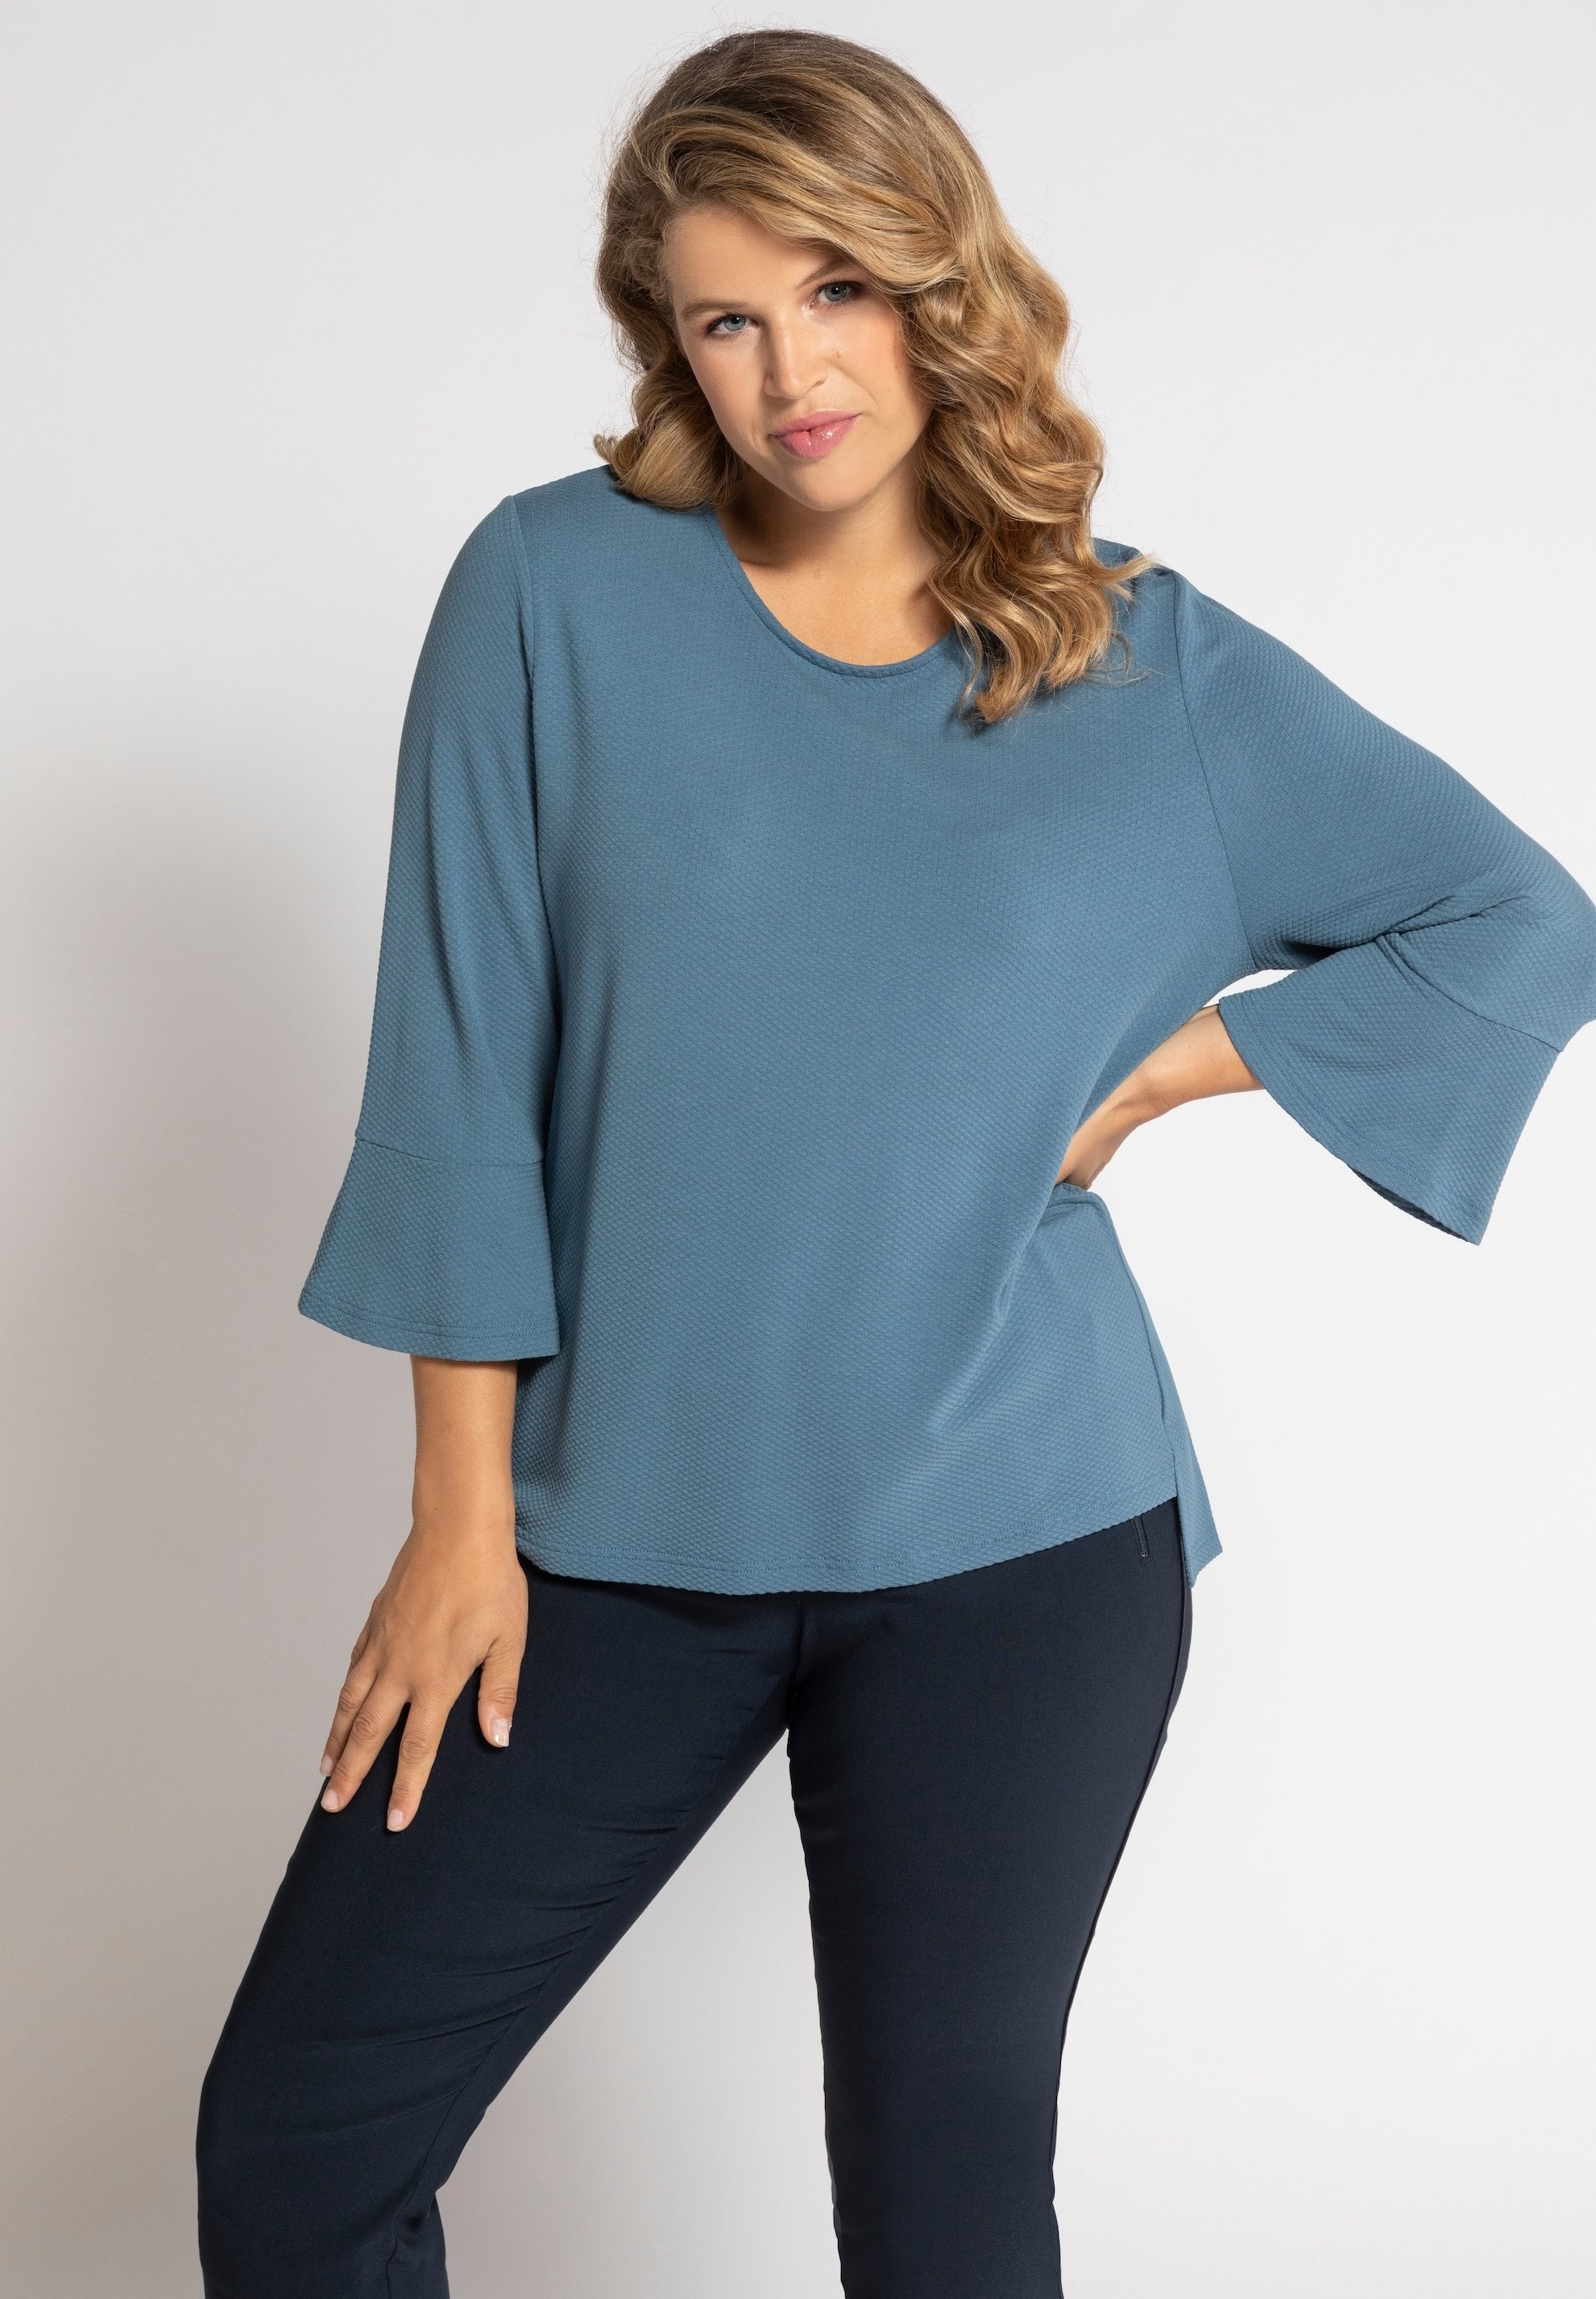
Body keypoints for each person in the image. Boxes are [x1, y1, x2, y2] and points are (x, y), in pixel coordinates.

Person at [193, 27, 1596, 2299]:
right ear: (667, 338)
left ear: (940, 280)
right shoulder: (550, 594)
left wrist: (1172, 1074)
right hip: (606, 1533)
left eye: (835, 290)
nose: (789, 376)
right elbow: (457, 1077)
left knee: (944, 2214)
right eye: (724, 319)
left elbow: (1526, 918)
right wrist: (460, 1519)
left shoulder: (1146, 661)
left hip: (1020, 1539)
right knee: (298, 2140)